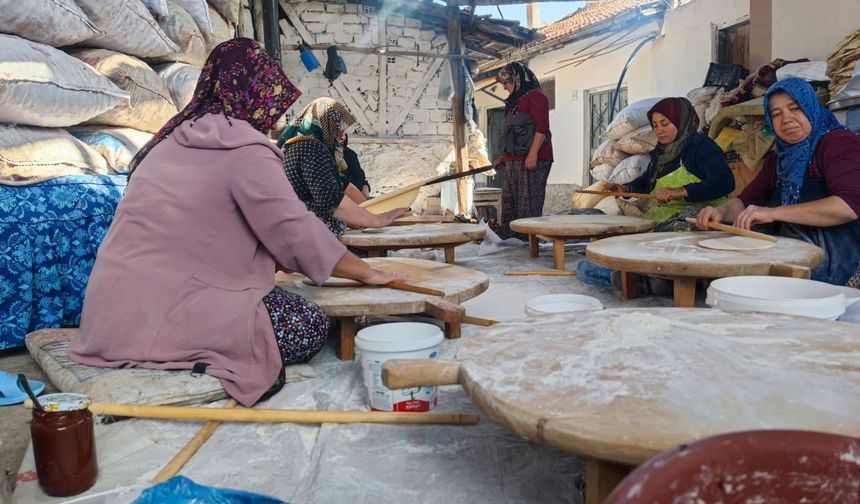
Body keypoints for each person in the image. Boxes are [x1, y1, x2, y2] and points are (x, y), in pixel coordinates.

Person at [69, 39, 404, 407]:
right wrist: (367, 273)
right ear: (253, 93)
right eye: (270, 99)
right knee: (306, 324)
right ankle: (175, 351)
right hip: (162, 312)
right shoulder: (243, 149)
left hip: (106, 317)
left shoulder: (167, 142)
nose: (273, 115)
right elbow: (294, 229)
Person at [697, 78, 860, 286]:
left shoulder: (837, 144)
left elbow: (848, 206)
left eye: (795, 109)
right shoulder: (778, 159)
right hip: (788, 244)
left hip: (835, 253)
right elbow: (746, 201)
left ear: (810, 107)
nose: (787, 119)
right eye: (777, 114)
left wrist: (772, 213)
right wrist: (720, 212)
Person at [278, 98, 408, 237]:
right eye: (336, 128)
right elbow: (329, 198)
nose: (340, 135)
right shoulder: (310, 148)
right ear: (325, 123)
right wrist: (377, 220)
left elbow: (339, 186)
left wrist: (362, 216)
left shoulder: (295, 147)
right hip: (314, 237)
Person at [605, 97, 735, 232]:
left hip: (704, 217)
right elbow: (648, 182)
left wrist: (681, 191)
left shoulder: (701, 146)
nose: (659, 130)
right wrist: (626, 189)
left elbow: (725, 181)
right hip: (669, 216)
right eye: (655, 125)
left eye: (665, 123)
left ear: (680, 121)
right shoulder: (661, 153)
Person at [492, 62, 553, 240]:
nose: (505, 87)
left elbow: (542, 127)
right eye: (503, 84)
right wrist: (504, 158)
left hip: (534, 159)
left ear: (518, 79)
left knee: (528, 206)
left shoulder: (536, 97)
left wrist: (533, 153)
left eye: (507, 82)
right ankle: (511, 243)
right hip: (514, 161)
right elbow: (512, 134)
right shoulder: (513, 102)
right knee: (510, 205)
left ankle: (529, 246)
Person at [343, 133, 371, 199]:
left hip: (353, 195)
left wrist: (365, 187)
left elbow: (359, 175)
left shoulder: (350, 154)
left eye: (343, 133)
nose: (341, 137)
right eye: (336, 134)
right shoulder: (324, 154)